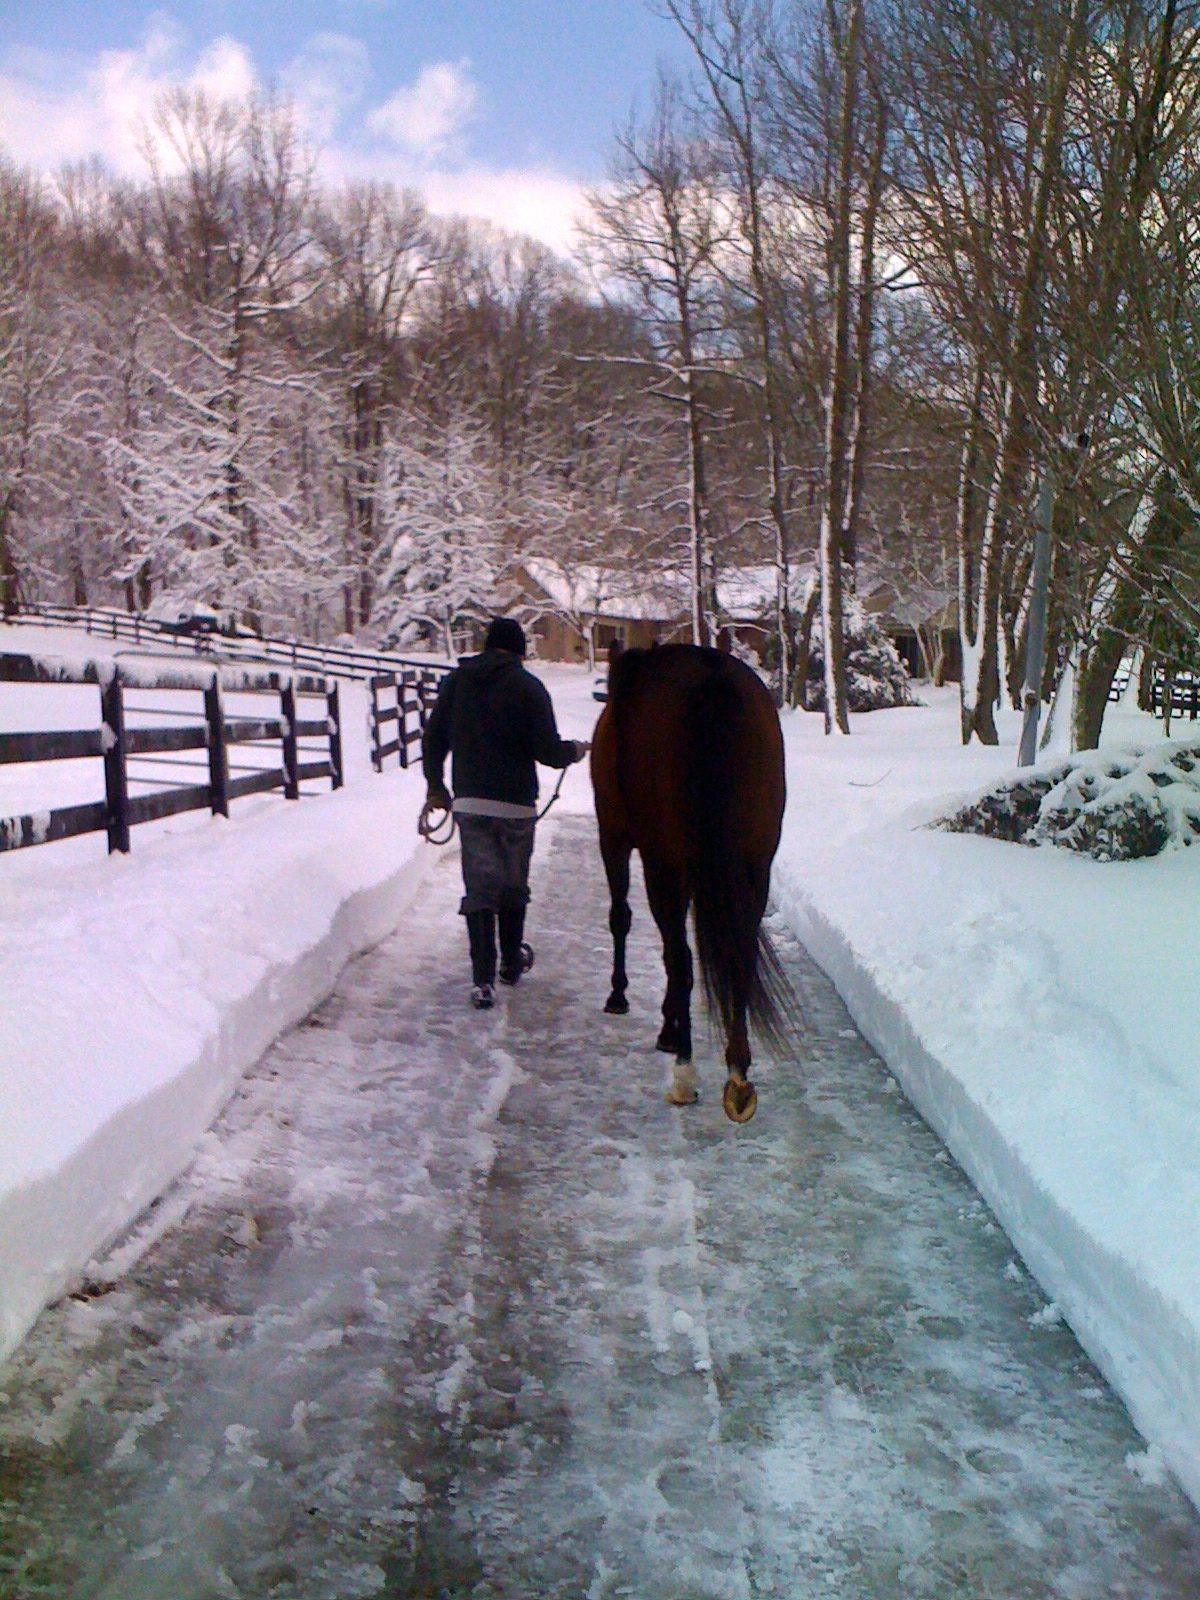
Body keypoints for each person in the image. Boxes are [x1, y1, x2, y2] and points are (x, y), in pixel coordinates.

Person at [422, 617, 590, 1010]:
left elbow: (434, 739)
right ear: (519, 651)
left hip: (471, 803)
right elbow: (547, 752)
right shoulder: (529, 687)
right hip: (515, 805)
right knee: (513, 885)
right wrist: (575, 751)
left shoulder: (456, 683)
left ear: (486, 646)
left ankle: (482, 981)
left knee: (480, 889)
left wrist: (436, 787)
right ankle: (511, 963)